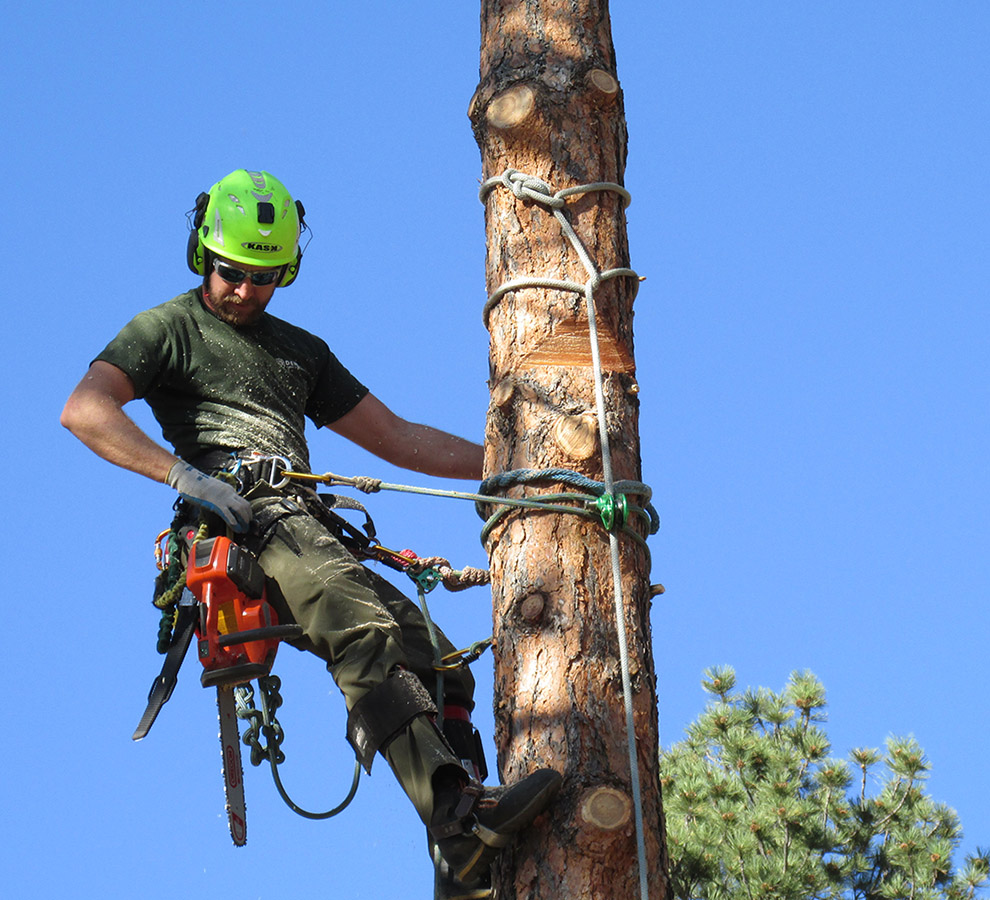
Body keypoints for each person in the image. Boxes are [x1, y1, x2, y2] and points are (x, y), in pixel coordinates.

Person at [61, 168, 560, 895]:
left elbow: (393, 435)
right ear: (203, 252)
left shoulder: (300, 349)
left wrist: (508, 467)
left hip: (308, 520)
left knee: (442, 662)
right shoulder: (166, 329)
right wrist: (184, 478)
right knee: (360, 630)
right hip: (244, 517)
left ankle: (459, 859)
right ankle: (456, 815)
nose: (245, 290)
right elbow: (85, 408)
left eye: (265, 278)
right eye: (232, 272)